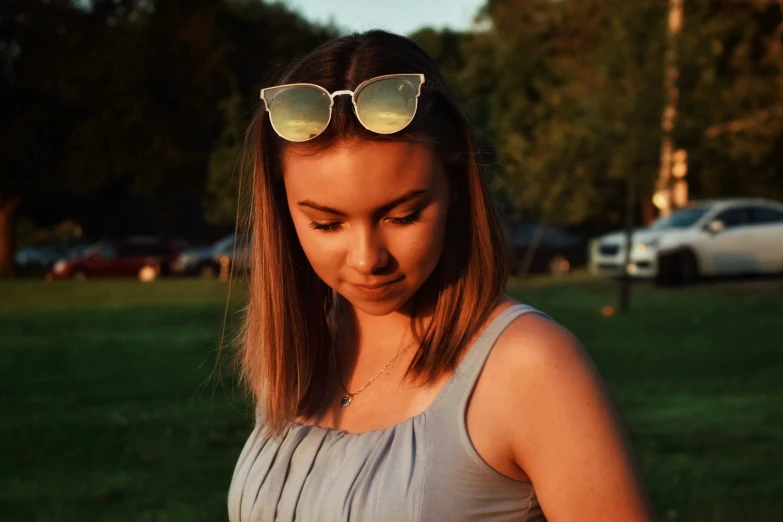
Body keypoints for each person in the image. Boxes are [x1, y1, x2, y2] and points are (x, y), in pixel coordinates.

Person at [227, 30, 655, 522]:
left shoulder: (529, 366)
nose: (368, 259)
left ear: (455, 184)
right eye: (327, 224)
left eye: (403, 216)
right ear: (283, 211)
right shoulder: (297, 354)